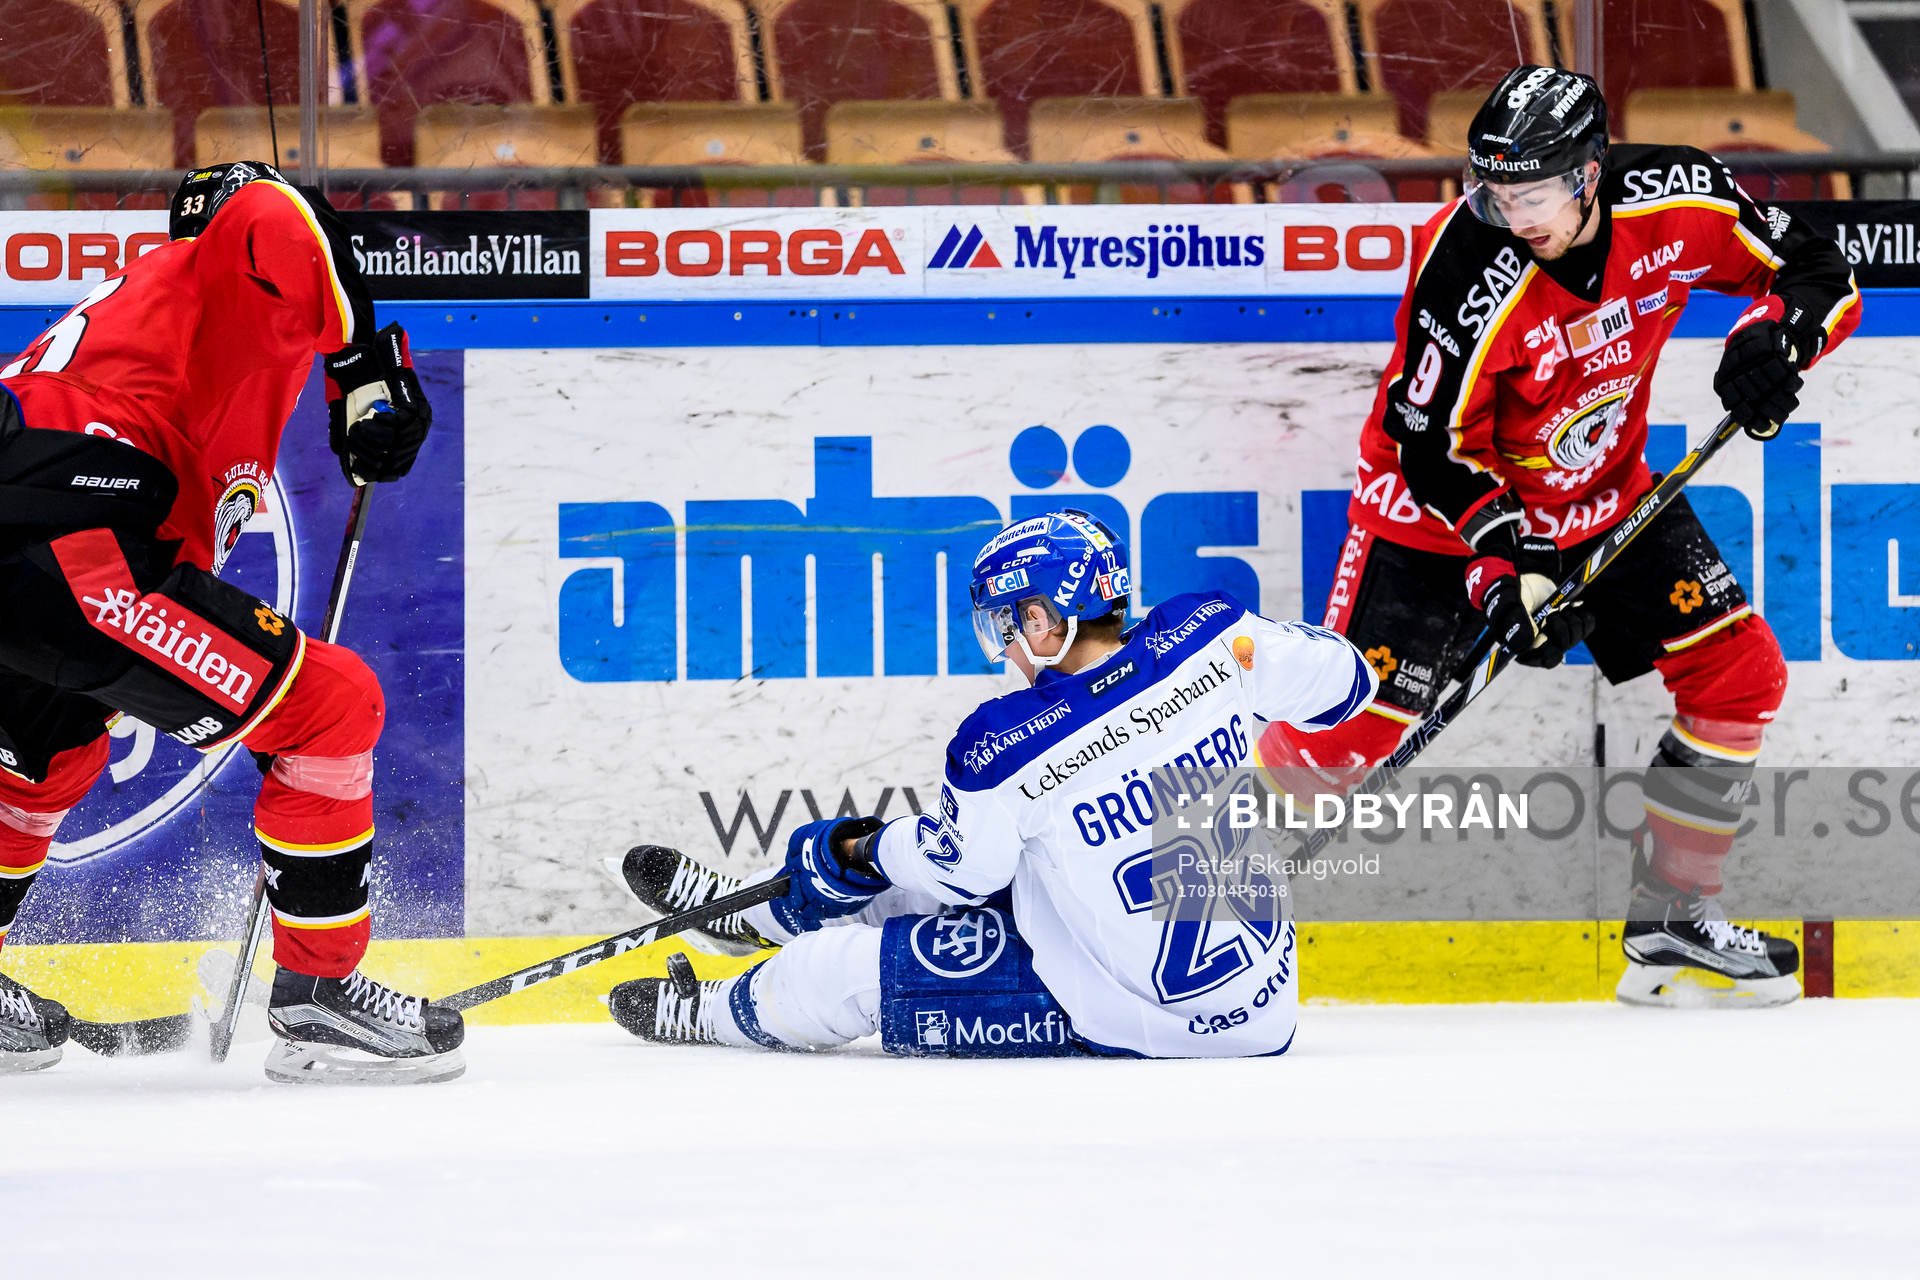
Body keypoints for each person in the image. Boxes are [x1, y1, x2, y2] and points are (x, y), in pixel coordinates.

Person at [1256, 66, 1861, 1007]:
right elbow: (1429, 443)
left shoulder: (1682, 198)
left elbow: (1815, 269)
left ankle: (1671, 921)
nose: (1514, 213)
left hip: (1603, 493)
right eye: (1496, 192)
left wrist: (1774, 340)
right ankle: (1180, 884)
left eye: (1532, 192)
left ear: (1589, 174)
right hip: (1439, 519)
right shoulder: (1466, 265)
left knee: (1740, 673)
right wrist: (1507, 574)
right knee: (1348, 737)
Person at [0, 162, 464, 1081]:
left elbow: (172, 536)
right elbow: (272, 211)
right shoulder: (212, 258)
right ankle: (320, 997)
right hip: (66, 532)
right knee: (331, 705)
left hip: (42, 534)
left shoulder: (159, 337)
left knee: (47, 757)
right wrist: (365, 362)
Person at [606, 509, 1377, 1058]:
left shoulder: (1006, 743)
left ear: (1047, 619)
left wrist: (857, 849)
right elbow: (1347, 683)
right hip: (1265, 1007)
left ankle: (712, 1010)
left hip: (1128, 1012)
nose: (1007, 645)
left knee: (840, 968)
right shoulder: (1214, 634)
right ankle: (750, 918)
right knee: (983, 866)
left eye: (1008, 623)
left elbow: (961, 873)